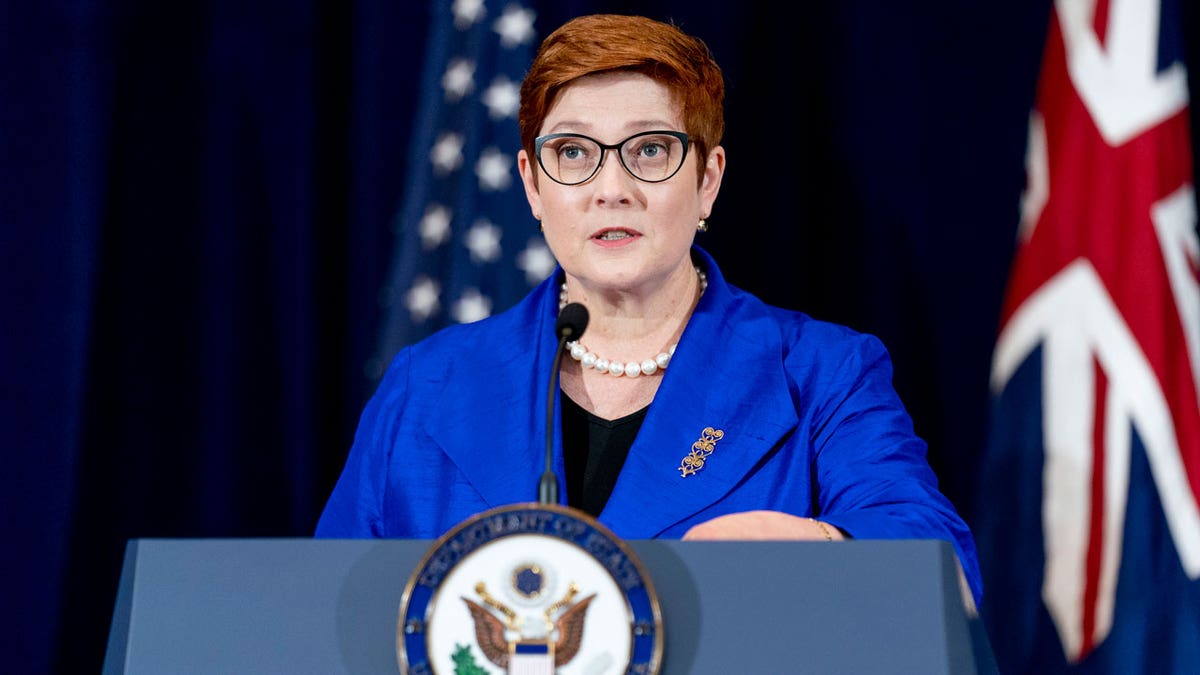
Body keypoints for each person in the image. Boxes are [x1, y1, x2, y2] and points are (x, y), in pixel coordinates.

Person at [316, 13, 983, 606]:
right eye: (573, 152)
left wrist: (826, 548)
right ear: (531, 185)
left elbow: (945, 573)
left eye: (651, 151)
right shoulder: (427, 385)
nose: (612, 188)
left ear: (708, 181)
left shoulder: (821, 373)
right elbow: (329, 612)